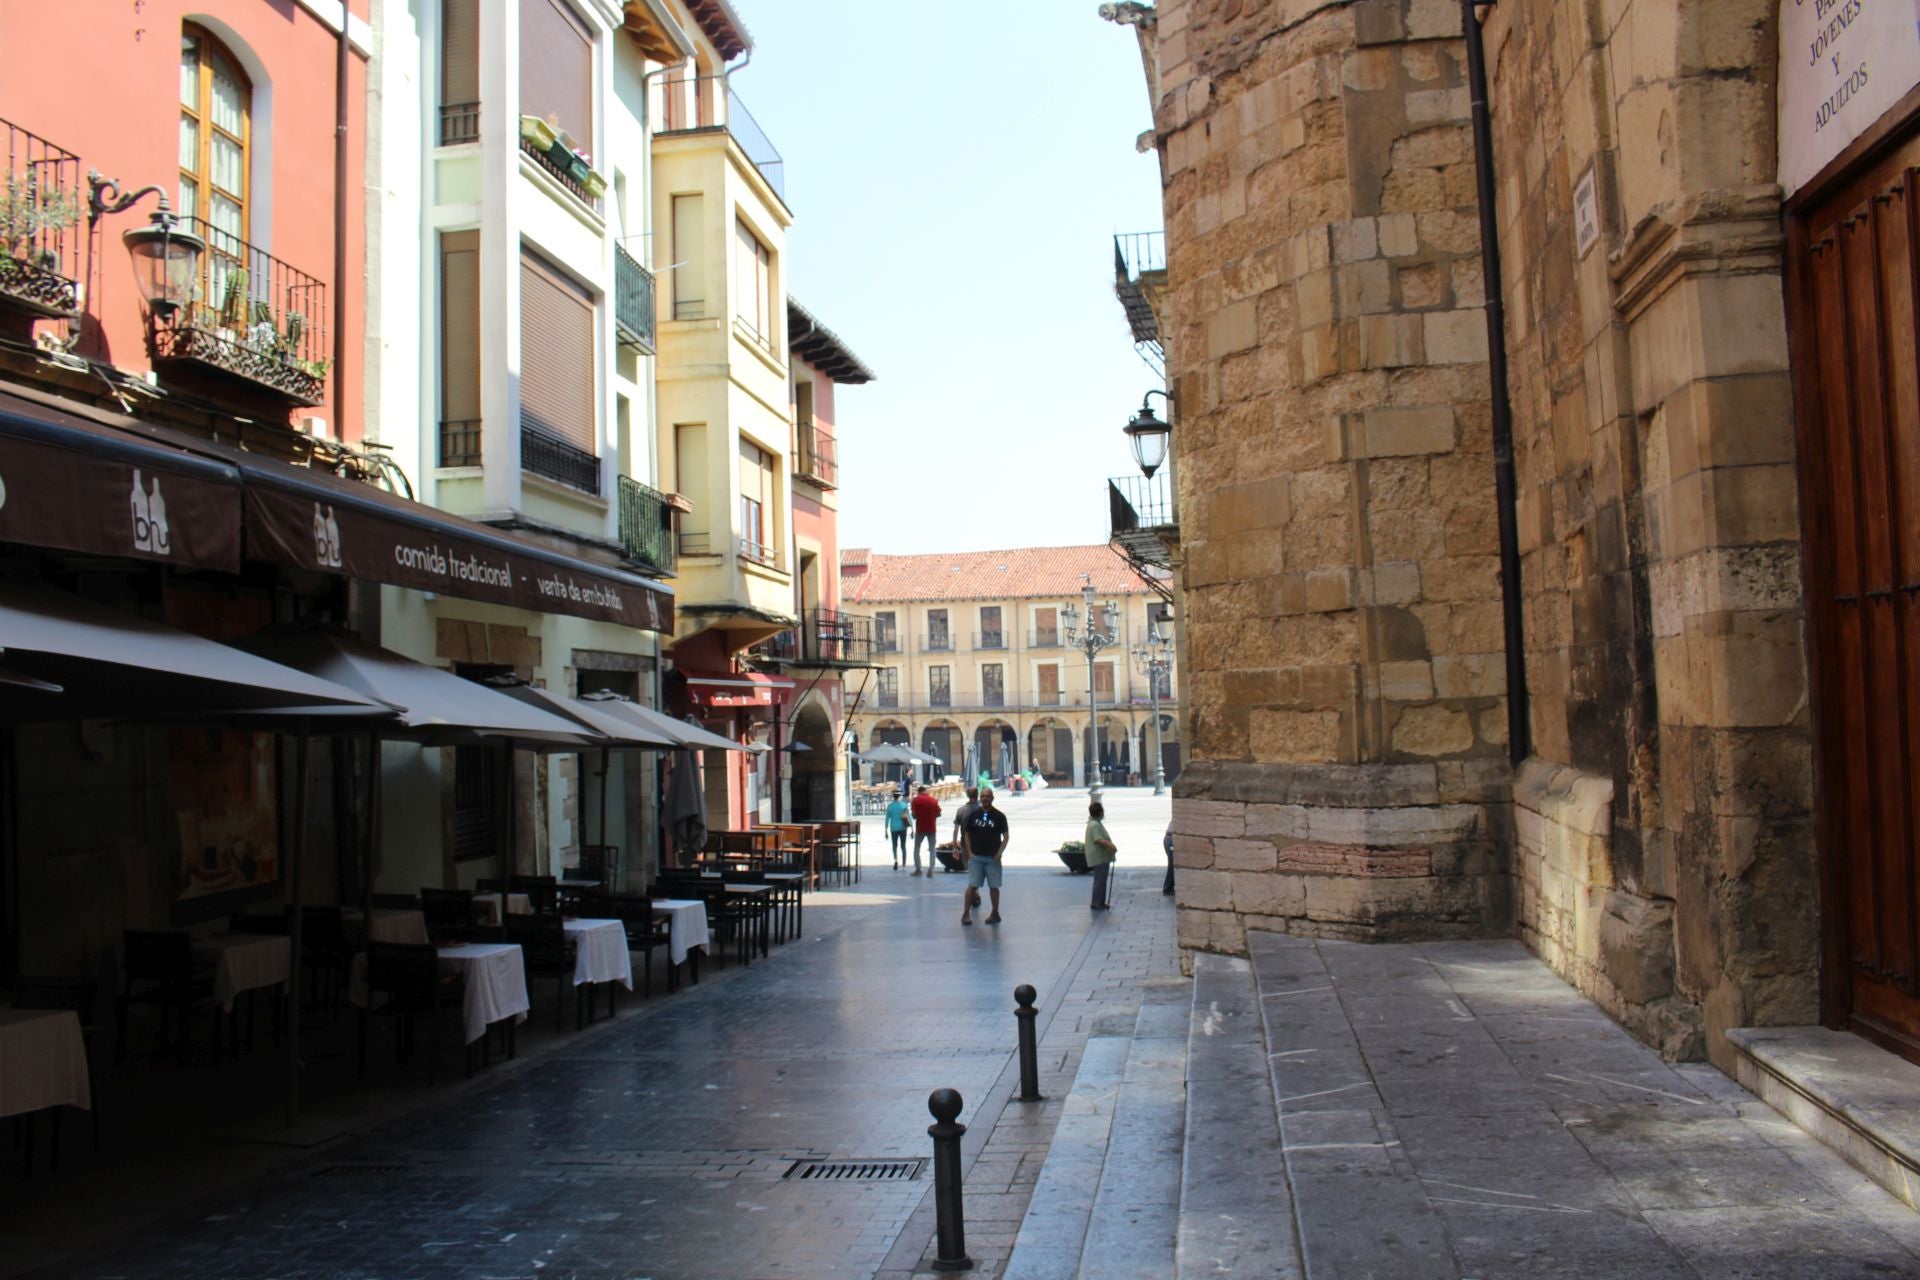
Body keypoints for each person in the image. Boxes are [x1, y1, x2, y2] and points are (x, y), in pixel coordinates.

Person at [960, 786, 1010, 926]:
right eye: (983, 796)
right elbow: (967, 833)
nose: (985, 798)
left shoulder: (999, 816)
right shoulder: (974, 815)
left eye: (987, 796)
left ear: (992, 798)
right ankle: (965, 913)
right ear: (980, 798)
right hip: (976, 857)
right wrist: (969, 852)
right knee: (972, 885)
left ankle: (995, 913)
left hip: (992, 858)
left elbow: (1006, 836)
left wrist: (999, 853)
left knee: (994, 886)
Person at [1085, 800, 1117, 910]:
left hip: (1101, 857)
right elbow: (1098, 839)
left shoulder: (1094, 823)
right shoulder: (1095, 825)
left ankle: (1100, 901)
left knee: (1101, 881)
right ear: (1100, 813)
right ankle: (1097, 902)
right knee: (1100, 881)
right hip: (1099, 858)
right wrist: (1110, 845)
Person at [909, 784, 942, 877]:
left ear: (919, 792)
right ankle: (931, 870)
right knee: (932, 849)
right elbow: (939, 813)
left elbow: (914, 815)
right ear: (925, 791)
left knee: (917, 848)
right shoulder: (933, 800)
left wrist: (919, 816)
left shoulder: (916, 800)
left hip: (920, 827)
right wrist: (932, 816)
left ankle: (918, 869)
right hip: (931, 827)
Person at [948, 786, 980, 871]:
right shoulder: (982, 809)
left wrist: (954, 847)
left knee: (970, 869)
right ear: (978, 795)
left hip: (965, 844)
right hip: (980, 844)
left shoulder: (961, 810)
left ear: (967, 795)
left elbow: (956, 830)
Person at [884, 793, 910, 869]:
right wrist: (912, 828)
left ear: (893, 797)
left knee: (894, 845)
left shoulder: (890, 806)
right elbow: (908, 817)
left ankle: (896, 860)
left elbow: (887, 818)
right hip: (903, 828)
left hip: (893, 828)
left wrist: (885, 830)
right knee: (903, 845)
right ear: (900, 797)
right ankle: (904, 863)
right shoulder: (903, 805)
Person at [1163, 822, 1175, 896]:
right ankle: (1167, 888)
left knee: (1173, 864)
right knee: (1172, 865)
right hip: (1171, 839)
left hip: (1169, 839)